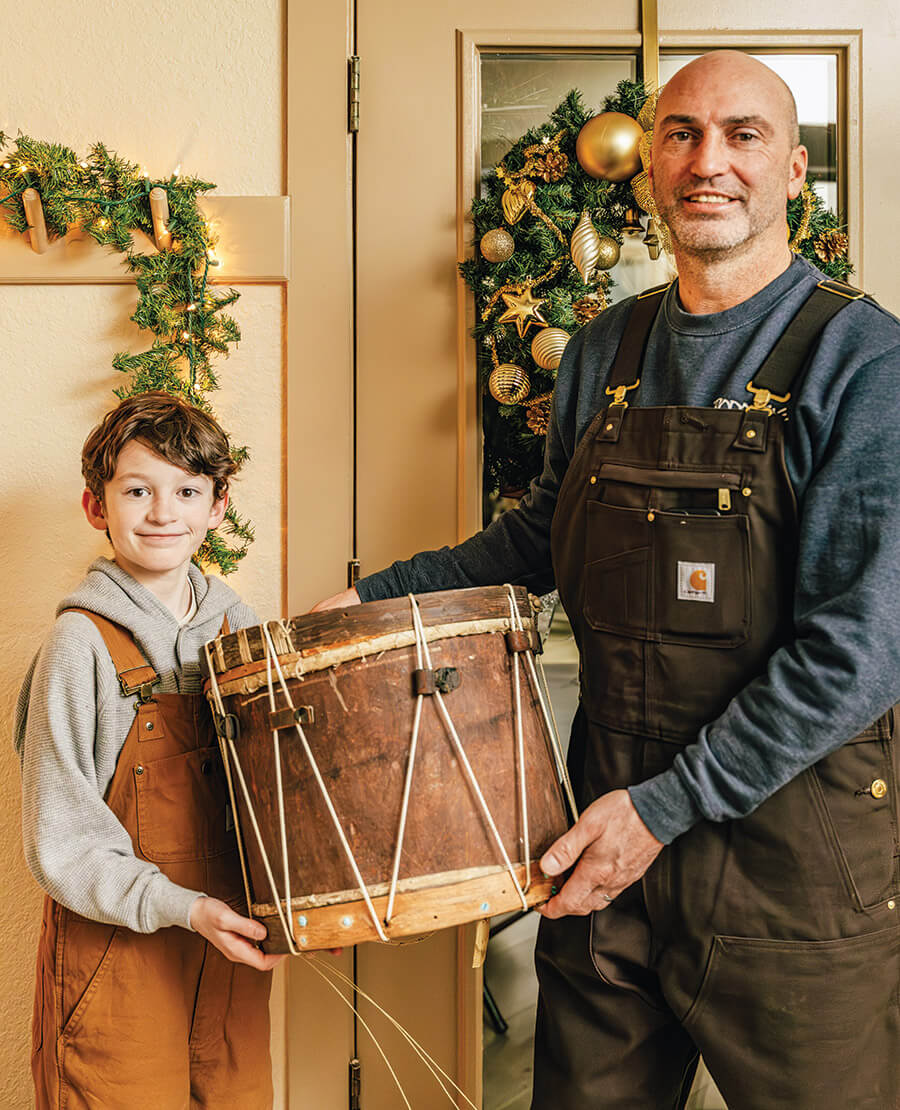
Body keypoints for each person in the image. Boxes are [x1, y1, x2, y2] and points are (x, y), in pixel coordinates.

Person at [314, 51, 900, 1108]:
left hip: (792, 859)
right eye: (679, 133)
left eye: (742, 134)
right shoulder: (603, 349)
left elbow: (861, 647)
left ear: (794, 172)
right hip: (604, 839)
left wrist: (667, 808)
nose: (706, 160)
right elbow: (542, 536)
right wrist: (374, 606)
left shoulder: (863, 364)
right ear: (649, 167)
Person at [16, 391, 282, 1109]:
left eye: (187, 491)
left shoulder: (242, 630)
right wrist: (180, 906)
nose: (164, 513)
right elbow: (61, 842)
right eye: (138, 490)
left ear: (218, 506)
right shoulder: (81, 645)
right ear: (96, 507)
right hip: (118, 960)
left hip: (229, 947)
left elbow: (278, 789)